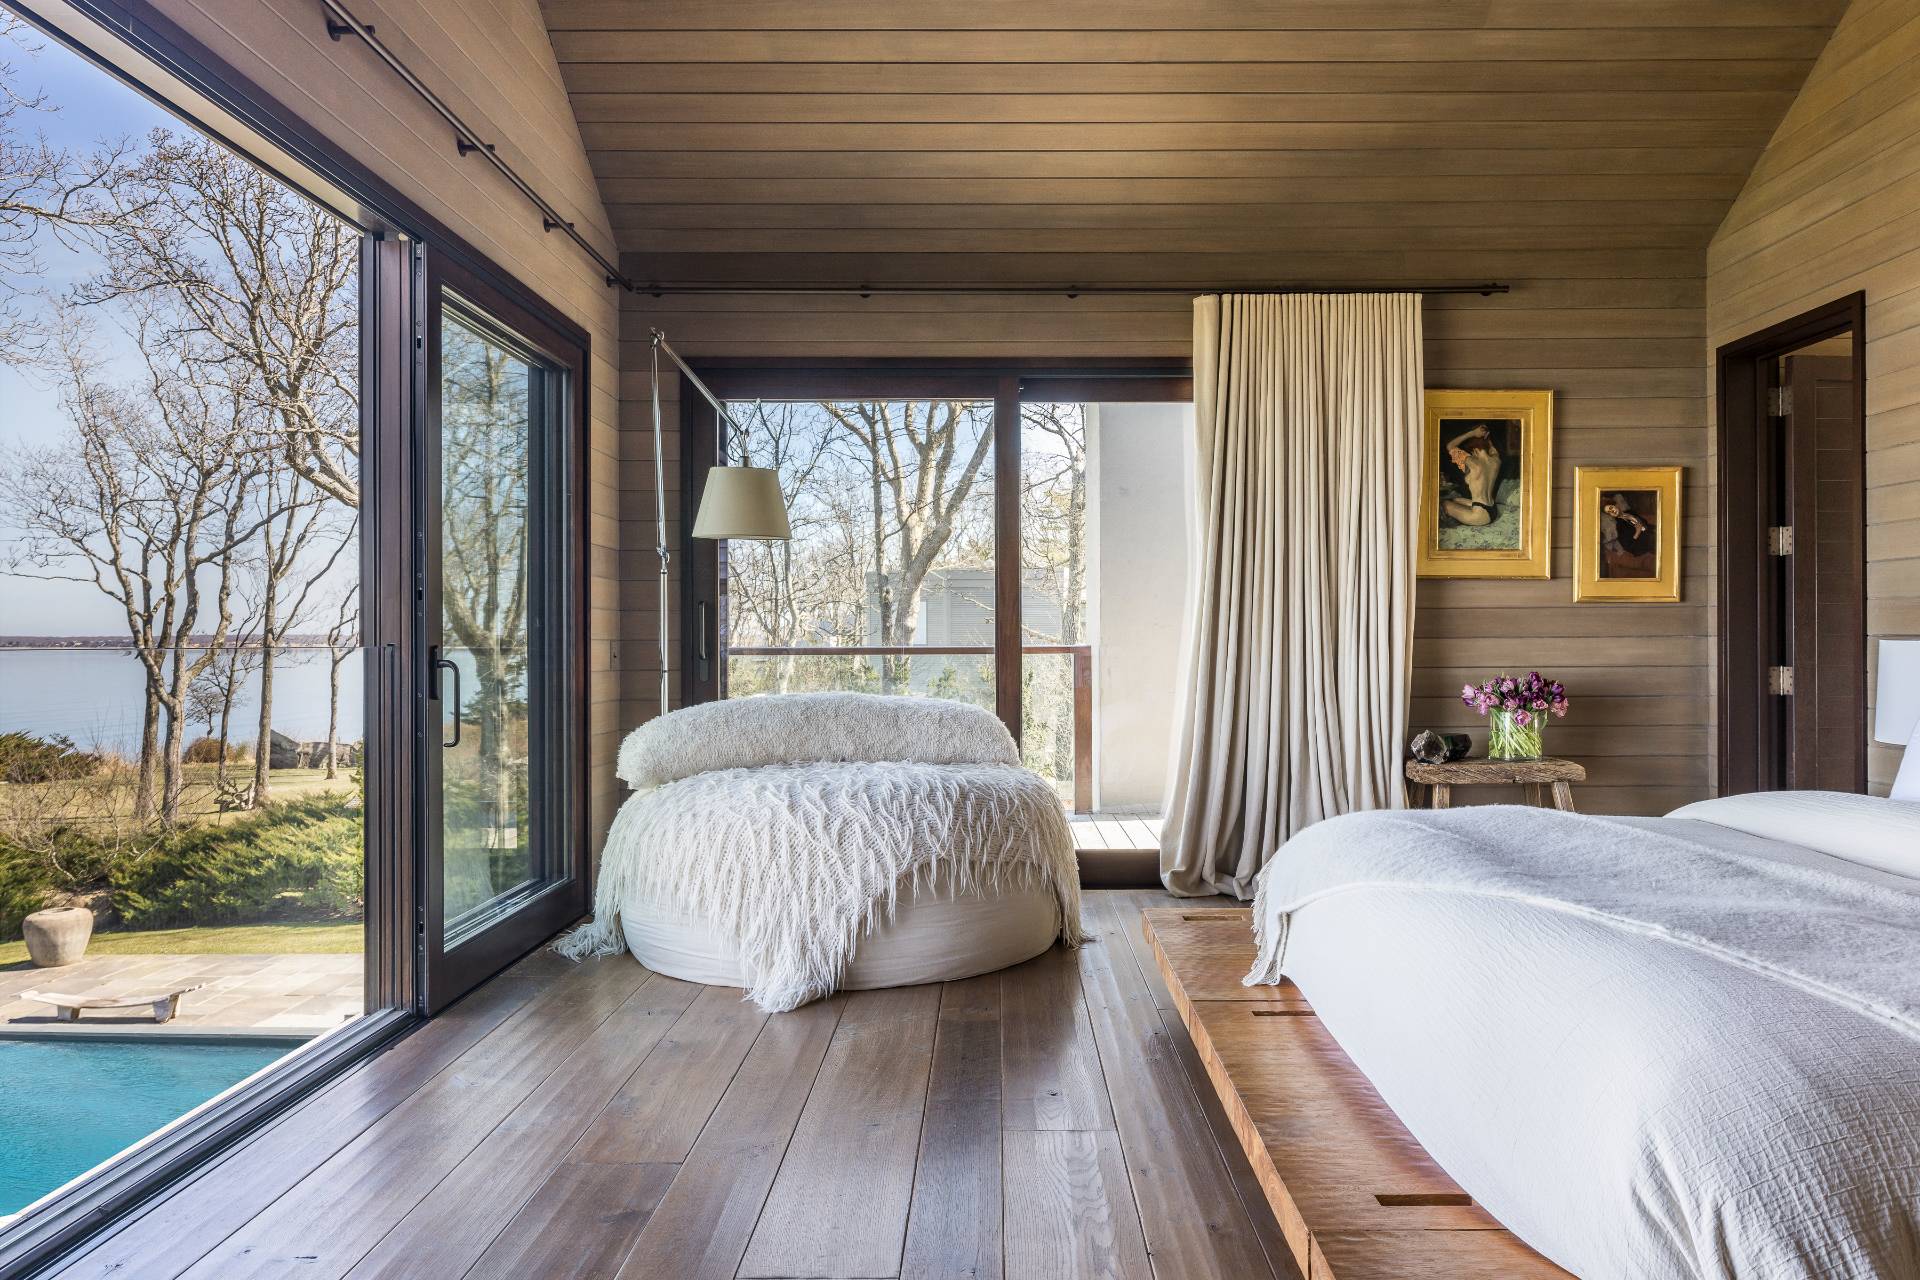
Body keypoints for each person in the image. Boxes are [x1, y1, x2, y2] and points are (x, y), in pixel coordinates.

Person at [1441, 425, 1502, 526]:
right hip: (1492, 509)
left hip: (1480, 515)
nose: (1470, 454)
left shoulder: (1473, 463)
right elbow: (1492, 448)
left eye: (1470, 452)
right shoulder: (1496, 461)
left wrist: (1473, 433)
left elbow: (1450, 446)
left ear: (1474, 450)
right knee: (1454, 499)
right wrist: (1486, 436)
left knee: (1443, 505)